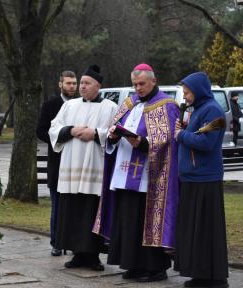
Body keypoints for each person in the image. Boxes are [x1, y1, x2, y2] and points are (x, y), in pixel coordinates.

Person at [93, 63, 179, 282]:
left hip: (149, 176)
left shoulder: (166, 105)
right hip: (124, 172)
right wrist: (113, 136)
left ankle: (154, 268)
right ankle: (131, 264)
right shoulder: (129, 102)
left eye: (142, 84)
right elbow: (116, 126)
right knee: (128, 219)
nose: (138, 88)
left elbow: (166, 140)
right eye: (135, 84)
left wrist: (142, 142)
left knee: (146, 220)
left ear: (153, 81)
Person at [49, 65, 118, 271]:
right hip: (71, 166)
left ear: (98, 86)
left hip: (95, 168)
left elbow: (115, 132)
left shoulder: (110, 107)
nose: (82, 87)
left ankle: (93, 256)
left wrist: (96, 134)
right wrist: (70, 130)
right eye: (81, 83)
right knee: (73, 210)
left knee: (92, 209)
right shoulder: (70, 105)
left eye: (87, 83)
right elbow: (54, 127)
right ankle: (77, 254)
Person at [174, 72, 228, 288]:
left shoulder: (213, 110)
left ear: (198, 90)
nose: (185, 97)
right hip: (193, 179)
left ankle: (214, 278)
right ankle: (200, 273)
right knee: (195, 231)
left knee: (207, 231)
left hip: (206, 180)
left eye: (187, 92)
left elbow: (206, 143)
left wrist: (180, 135)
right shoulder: (199, 110)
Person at [36, 70, 77, 257]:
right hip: (58, 162)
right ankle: (56, 242)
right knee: (58, 206)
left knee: (75, 206)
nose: (72, 86)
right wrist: (58, 140)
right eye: (68, 83)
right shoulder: (51, 104)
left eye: (74, 83)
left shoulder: (80, 105)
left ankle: (74, 241)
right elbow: (41, 130)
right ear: (60, 84)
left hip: (77, 163)